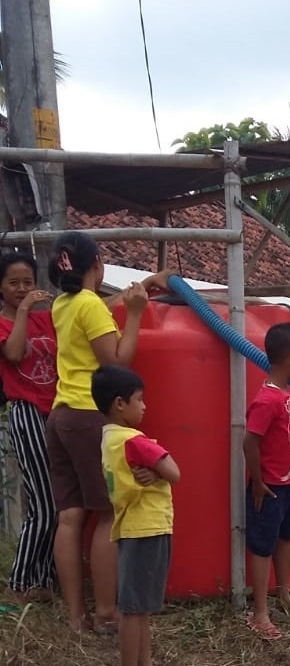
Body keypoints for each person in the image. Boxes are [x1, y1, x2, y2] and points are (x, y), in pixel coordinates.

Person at [46, 232, 168, 634]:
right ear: (97, 265)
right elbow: (116, 364)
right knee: (108, 514)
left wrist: (137, 292)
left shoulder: (63, 304)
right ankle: (106, 612)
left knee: (70, 516)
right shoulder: (89, 306)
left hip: (61, 415)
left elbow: (94, 312)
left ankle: (75, 617)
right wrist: (134, 315)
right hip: (88, 416)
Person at [92, 364, 184, 666]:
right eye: (139, 400)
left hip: (135, 526)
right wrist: (160, 471)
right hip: (146, 528)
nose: (144, 406)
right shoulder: (134, 440)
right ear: (119, 404)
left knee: (141, 607)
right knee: (134, 610)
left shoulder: (109, 439)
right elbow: (174, 471)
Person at [243, 323, 290, 639]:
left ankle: (283, 593)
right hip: (269, 487)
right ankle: (259, 613)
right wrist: (257, 482)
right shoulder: (267, 399)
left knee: (285, 538)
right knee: (262, 546)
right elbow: (249, 441)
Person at [0, 252, 57, 598]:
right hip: (27, 413)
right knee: (44, 503)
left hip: (57, 414)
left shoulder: (47, 320)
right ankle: (20, 583)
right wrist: (22, 311)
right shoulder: (5, 322)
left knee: (59, 502)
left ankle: (45, 579)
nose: (22, 289)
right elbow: (15, 355)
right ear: (1, 287)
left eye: (28, 282)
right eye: (14, 283)